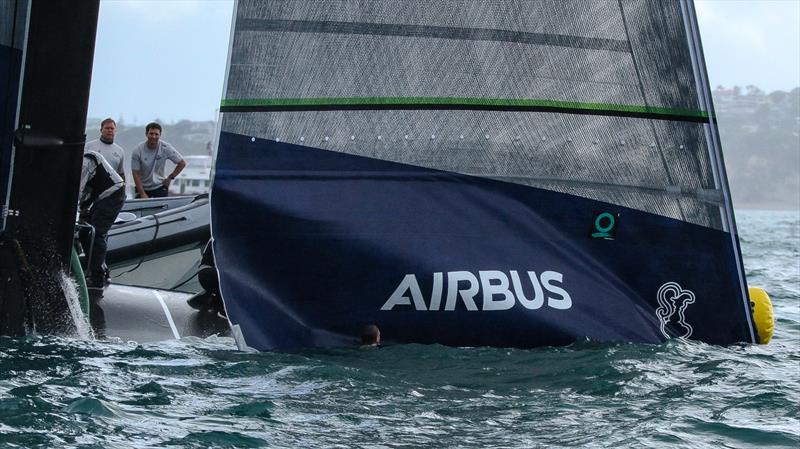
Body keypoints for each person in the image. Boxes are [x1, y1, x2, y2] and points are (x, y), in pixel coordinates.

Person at [79, 150, 125, 290]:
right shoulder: (87, 161)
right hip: (103, 196)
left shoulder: (85, 163)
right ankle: (101, 271)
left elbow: (77, 192)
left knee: (96, 234)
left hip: (112, 195)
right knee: (84, 233)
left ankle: (97, 278)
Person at [131, 122, 186, 198]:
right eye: (151, 134)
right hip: (142, 188)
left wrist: (170, 178)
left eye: (156, 134)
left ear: (160, 135)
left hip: (160, 186)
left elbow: (182, 163)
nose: (154, 137)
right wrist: (142, 193)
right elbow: (135, 173)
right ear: (146, 134)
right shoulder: (138, 150)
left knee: (164, 210)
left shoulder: (165, 148)